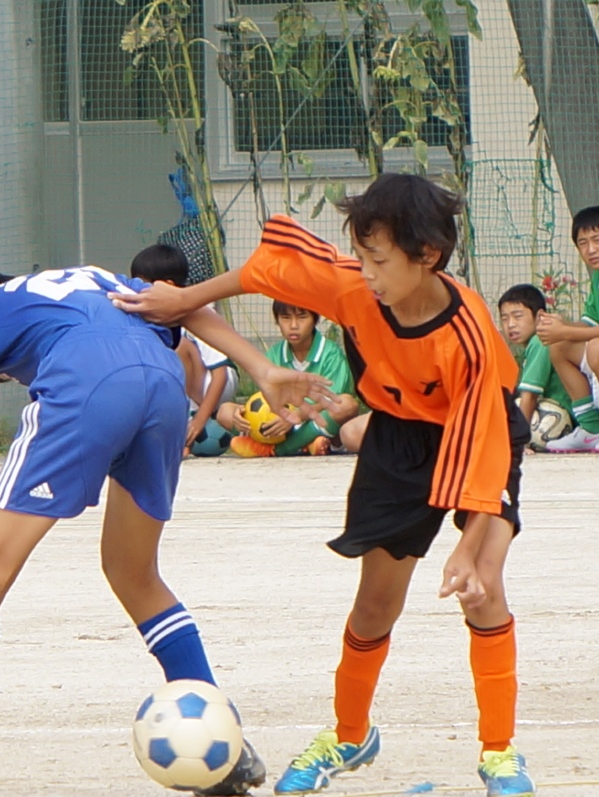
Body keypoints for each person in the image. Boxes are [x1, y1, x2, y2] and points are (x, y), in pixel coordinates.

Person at [0, 265, 331, 797]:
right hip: (164, 387)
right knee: (134, 574)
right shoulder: (94, 278)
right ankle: (226, 742)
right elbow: (182, 303)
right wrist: (260, 367)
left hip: (84, 385)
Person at [113, 173, 535, 796]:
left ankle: (499, 752)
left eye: (379, 260)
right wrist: (183, 301)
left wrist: (468, 548)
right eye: (361, 256)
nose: (367, 272)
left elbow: (484, 448)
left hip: (481, 435)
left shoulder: (468, 336)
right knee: (374, 605)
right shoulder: (358, 287)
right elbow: (268, 270)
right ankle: (349, 733)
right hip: (398, 439)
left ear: (428, 255)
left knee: (482, 588)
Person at [129, 243, 239, 455]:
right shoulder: (145, 315)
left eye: (141, 284)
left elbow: (221, 375)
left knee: (179, 346)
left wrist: (199, 420)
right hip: (190, 387)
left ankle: (188, 422)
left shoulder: (198, 311)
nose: (135, 290)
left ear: (167, 285)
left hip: (214, 383)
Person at [215, 300, 359, 458]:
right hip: (279, 423)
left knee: (347, 404)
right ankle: (306, 444)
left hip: (315, 421)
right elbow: (262, 400)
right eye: (286, 318)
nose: (293, 325)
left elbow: (332, 400)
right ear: (277, 320)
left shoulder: (331, 354)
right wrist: (243, 412)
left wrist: (297, 416)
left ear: (315, 320)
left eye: (302, 317)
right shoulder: (274, 354)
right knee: (225, 411)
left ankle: (276, 450)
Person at [536, 206, 599, 452]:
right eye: (583, 243)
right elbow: (590, 323)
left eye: (596, 240)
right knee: (559, 346)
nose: (591, 249)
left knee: (595, 349)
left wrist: (565, 331)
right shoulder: (597, 277)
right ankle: (591, 429)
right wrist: (559, 326)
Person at [499, 283, 574, 451]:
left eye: (518, 316)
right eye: (504, 318)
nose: (510, 324)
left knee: (515, 404)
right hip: (560, 415)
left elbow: (530, 396)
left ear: (540, 316)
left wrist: (518, 442)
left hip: (563, 416)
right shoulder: (535, 343)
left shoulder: (540, 341)